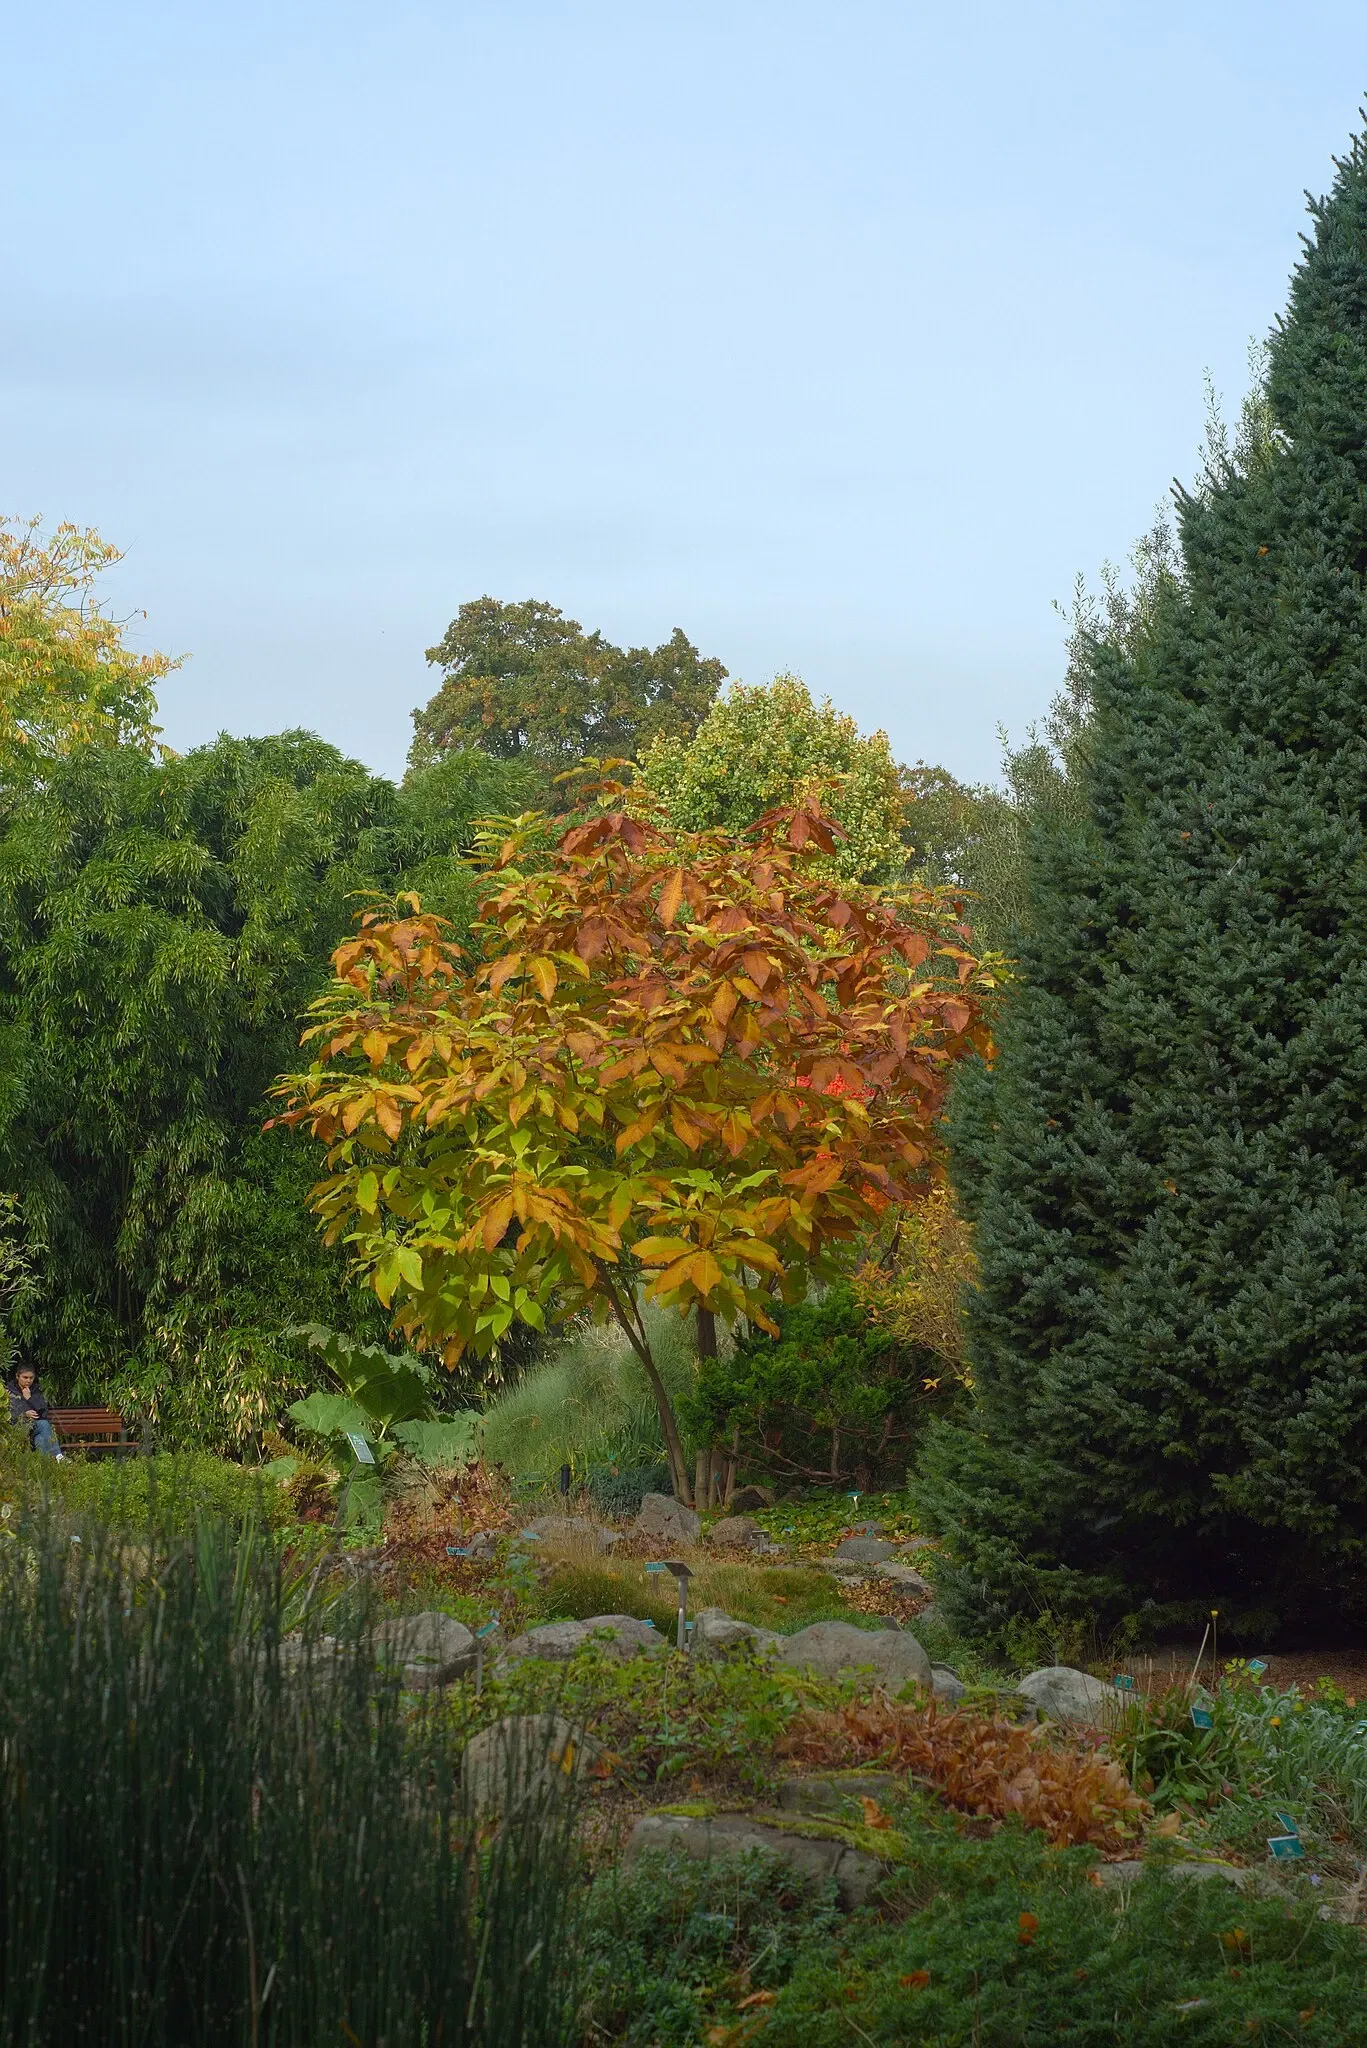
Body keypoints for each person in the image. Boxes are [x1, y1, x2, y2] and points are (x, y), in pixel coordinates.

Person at [6, 1364, 62, 1458]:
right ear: (17, 1376)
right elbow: (8, 1412)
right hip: (17, 1427)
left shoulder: (36, 1390)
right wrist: (23, 1414)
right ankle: (59, 1456)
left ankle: (44, 1467)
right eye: (25, 1377)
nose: (28, 1381)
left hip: (34, 1428)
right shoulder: (9, 1391)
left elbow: (44, 1413)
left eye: (31, 1378)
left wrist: (30, 1398)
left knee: (40, 1438)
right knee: (44, 1424)